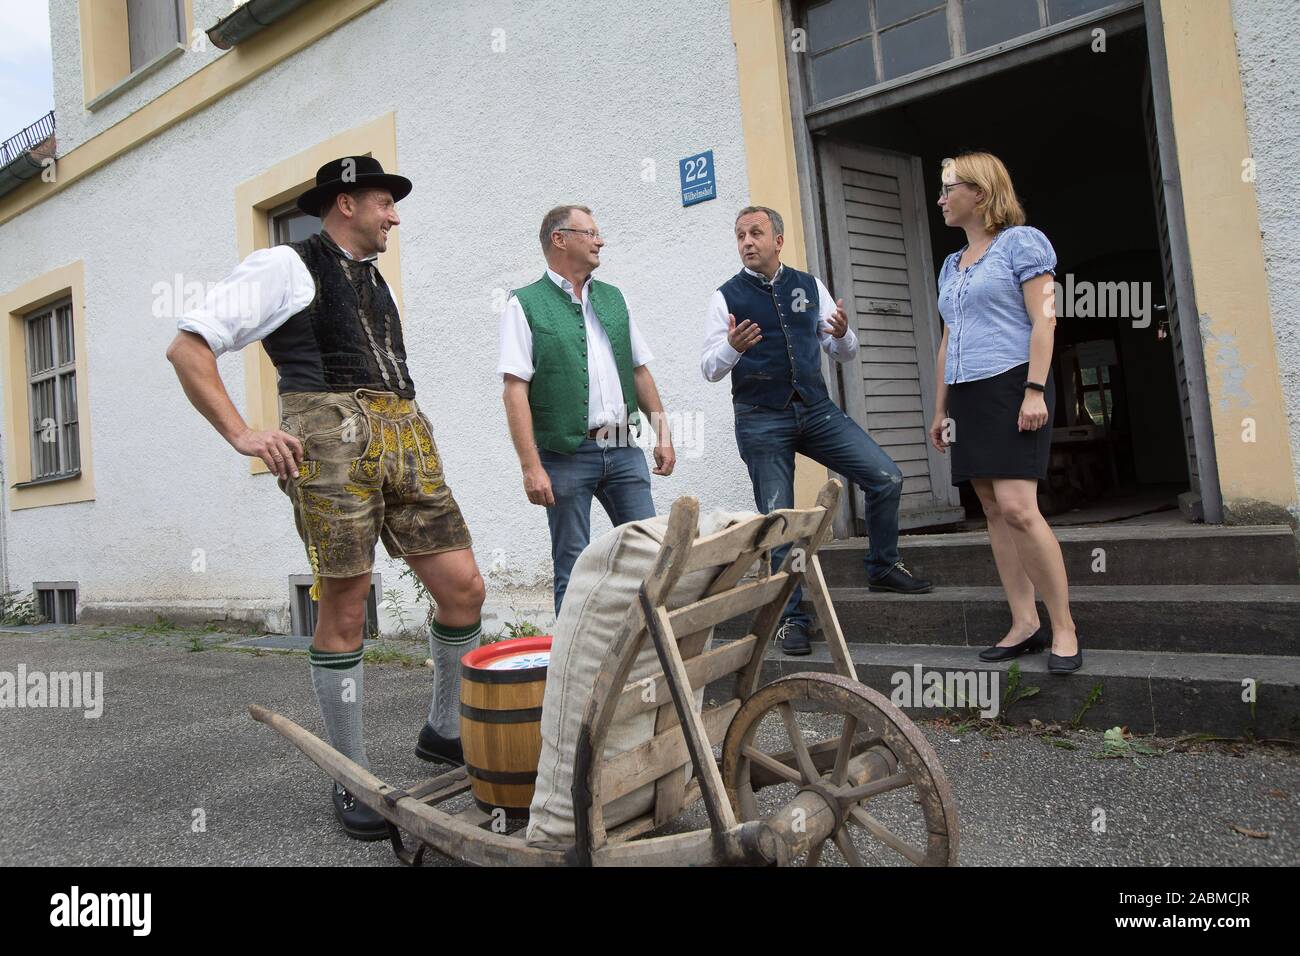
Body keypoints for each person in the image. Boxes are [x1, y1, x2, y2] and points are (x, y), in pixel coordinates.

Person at [166, 156, 487, 841]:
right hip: (328, 437)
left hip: (405, 433)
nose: (394, 215)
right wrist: (243, 432)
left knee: (464, 589)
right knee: (346, 600)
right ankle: (351, 772)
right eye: (383, 203)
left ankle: (443, 728)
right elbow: (189, 348)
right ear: (345, 203)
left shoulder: (376, 282)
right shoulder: (284, 264)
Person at [702, 206, 932, 657]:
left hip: (815, 409)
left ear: (778, 240)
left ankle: (883, 566)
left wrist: (844, 335)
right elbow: (709, 369)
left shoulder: (808, 287)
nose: (747, 242)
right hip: (761, 416)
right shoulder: (725, 297)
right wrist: (730, 348)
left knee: (886, 477)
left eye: (756, 233)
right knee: (779, 518)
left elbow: (842, 350)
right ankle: (790, 620)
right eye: (740, 235)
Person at [928, 151, 1082, 674]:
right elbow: (948, 340)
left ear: (981, 191)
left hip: (1015, 383)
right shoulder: (951, 265)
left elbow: (1046, 322)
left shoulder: (1021, 242)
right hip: (967, 394)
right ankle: (1024, 623)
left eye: (950, 188)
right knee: (991, 509)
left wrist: (1035, 390)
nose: (942, 198)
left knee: (1019, 507)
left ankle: (1064, 626)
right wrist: (940, 409)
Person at [500, 205, 676, 616]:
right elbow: (514, 391)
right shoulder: (523, 304)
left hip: (622, 447)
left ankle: (651, 659)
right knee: (573, 568)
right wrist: (531, 466)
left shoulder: (614, 298)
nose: (600, 241)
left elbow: (639, 371)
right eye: (590, 233)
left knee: (650, 556)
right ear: (559, 239)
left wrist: (663, 435)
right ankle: (570, 674)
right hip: (564, 455)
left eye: (598, 234)